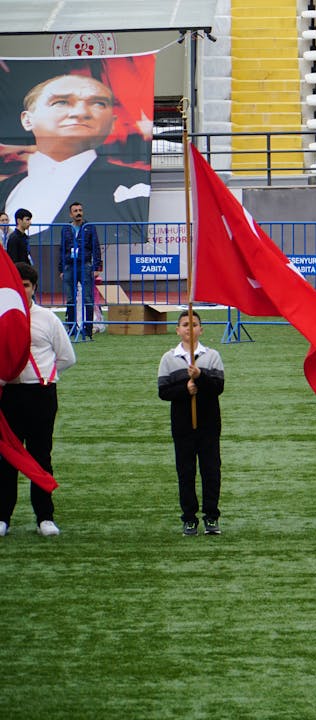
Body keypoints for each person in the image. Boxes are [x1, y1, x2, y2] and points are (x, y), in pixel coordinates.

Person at [0, 74, 150, 226]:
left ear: (112, 123)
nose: (80, 113)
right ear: (27, 120)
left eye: (98, 104)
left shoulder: (135, 183)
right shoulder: (6, 188)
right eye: (61, 102)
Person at [0, 262, 75, 537]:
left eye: (27, 285)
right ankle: (3, 517)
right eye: (16, 285)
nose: (22, 290)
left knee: (41, 455)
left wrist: (45, 375)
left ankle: (45, 517)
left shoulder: (47, 318)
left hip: (41, 394)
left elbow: (67, 357)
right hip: (8, 394)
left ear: (34, 288)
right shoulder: (2, 317)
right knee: (6, 457)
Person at [157, 311, 226, 536]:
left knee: (211, 471)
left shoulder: (212, 356)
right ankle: (189, 518)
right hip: (183, 426)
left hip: (208, 425)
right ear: (178, 330)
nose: (190, 328)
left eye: (194, 324)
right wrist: (185, 389)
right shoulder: (169, 358)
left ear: (201, 329)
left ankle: (211, 516)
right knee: (185, 472)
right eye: (185, 324)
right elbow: (163, 391)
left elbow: (218, 387)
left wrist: (200, 377)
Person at [58, 201, 101, 338]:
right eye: (75, 211)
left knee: (88, 297)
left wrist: (97, 267)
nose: (78, 213)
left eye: (80, 210)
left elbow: (96, 247)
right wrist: (61, 269)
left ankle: (88, 329)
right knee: (70, 298)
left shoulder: (89, 227)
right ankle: (71, 328)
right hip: (69, 266)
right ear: (71, 214)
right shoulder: (65, 229)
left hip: (85, 265)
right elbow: (62, 249)